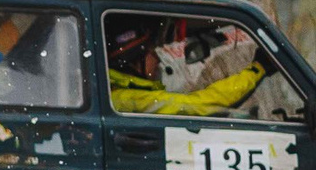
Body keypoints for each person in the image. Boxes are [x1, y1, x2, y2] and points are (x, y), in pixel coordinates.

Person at [107, 19, 267, 116]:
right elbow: (199, 105)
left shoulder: (121, 95)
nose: (158, 61)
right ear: (134, 61)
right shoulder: (130, 99)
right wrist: (258, 69)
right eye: (152, 53)